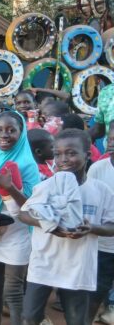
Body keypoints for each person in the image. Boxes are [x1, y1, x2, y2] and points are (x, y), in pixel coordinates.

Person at [20, 129, 114, 325]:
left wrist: (92, 228)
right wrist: (49, 225)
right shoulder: (46, 186)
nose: (63, 159)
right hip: (44, 263)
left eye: (71, 153)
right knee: (30, 316)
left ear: (87, 155)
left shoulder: (100, 191)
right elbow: (23, 213)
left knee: (76, 319)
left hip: (78, 267)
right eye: (57, 154)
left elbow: (112, 226)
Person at [0, 111, 39, 325]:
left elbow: (32, 206)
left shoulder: (28, 164)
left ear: (21, 133)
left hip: (18, 231)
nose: (3, 135)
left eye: (11, 130)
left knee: (13, 290)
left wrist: (10, 187)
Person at [85, 124, 114, 322]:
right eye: (111, 138)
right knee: (96, 289)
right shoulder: (97, 169)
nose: (112, 143)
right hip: (103, 244)